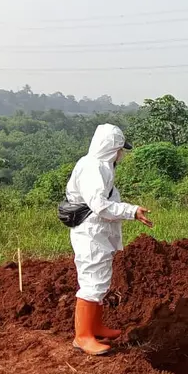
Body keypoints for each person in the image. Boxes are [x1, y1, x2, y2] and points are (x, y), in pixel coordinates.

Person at [65, 123, 153, 356]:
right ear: (111, 148)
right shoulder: (95, 169)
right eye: (119, 149)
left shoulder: (100, 165)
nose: (121, 154)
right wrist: (131, 211)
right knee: (92, 281)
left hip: (98, 231)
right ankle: (83, 337)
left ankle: (95, 327)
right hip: (90, 233)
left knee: (100, 279)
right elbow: (99, 205)